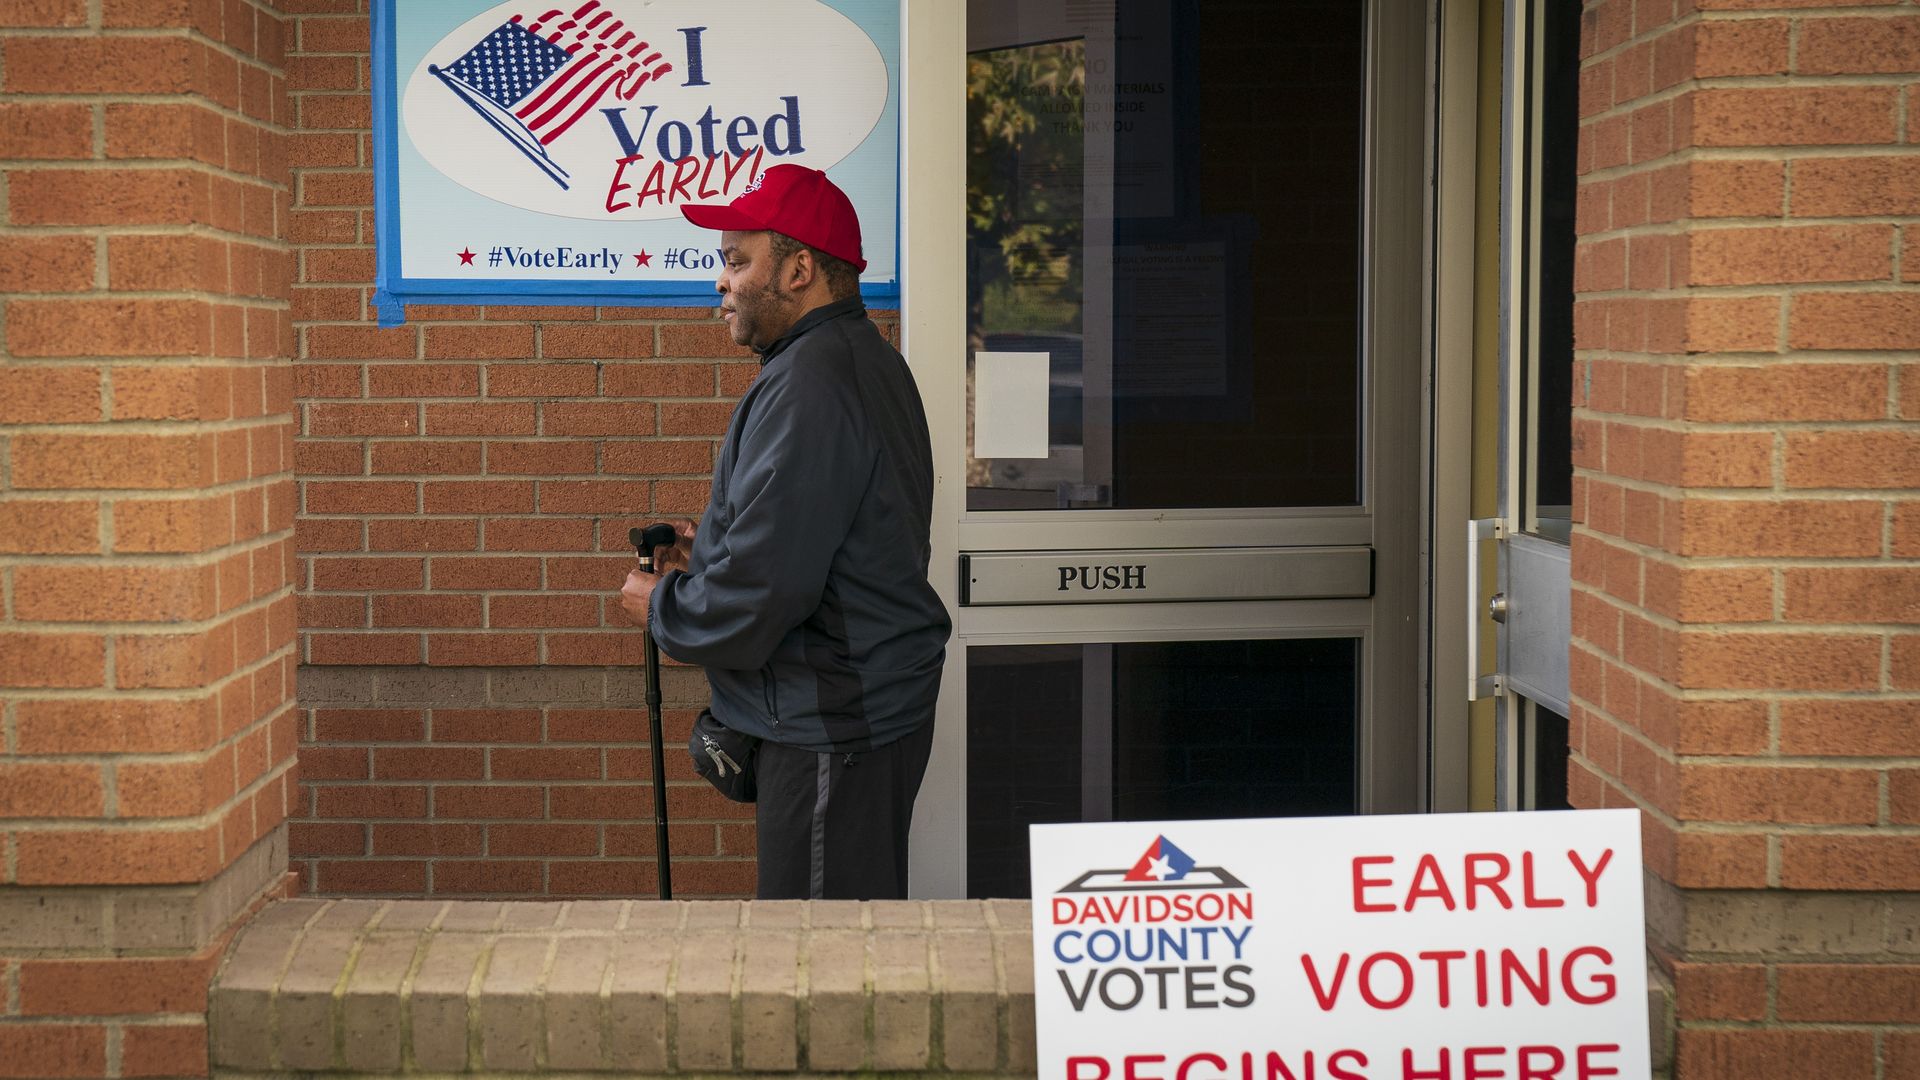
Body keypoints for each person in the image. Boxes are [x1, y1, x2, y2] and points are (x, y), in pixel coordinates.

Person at [618, 164, 951, 901]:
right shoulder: (853, 360)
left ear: (800, 269)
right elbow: (832, 536)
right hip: (850, 709)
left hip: (831, 723)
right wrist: (706, 551)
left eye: (738, 261)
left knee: (817, 963)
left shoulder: (812, 384)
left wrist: (664, 606)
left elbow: (766, 589)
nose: (721, 282)